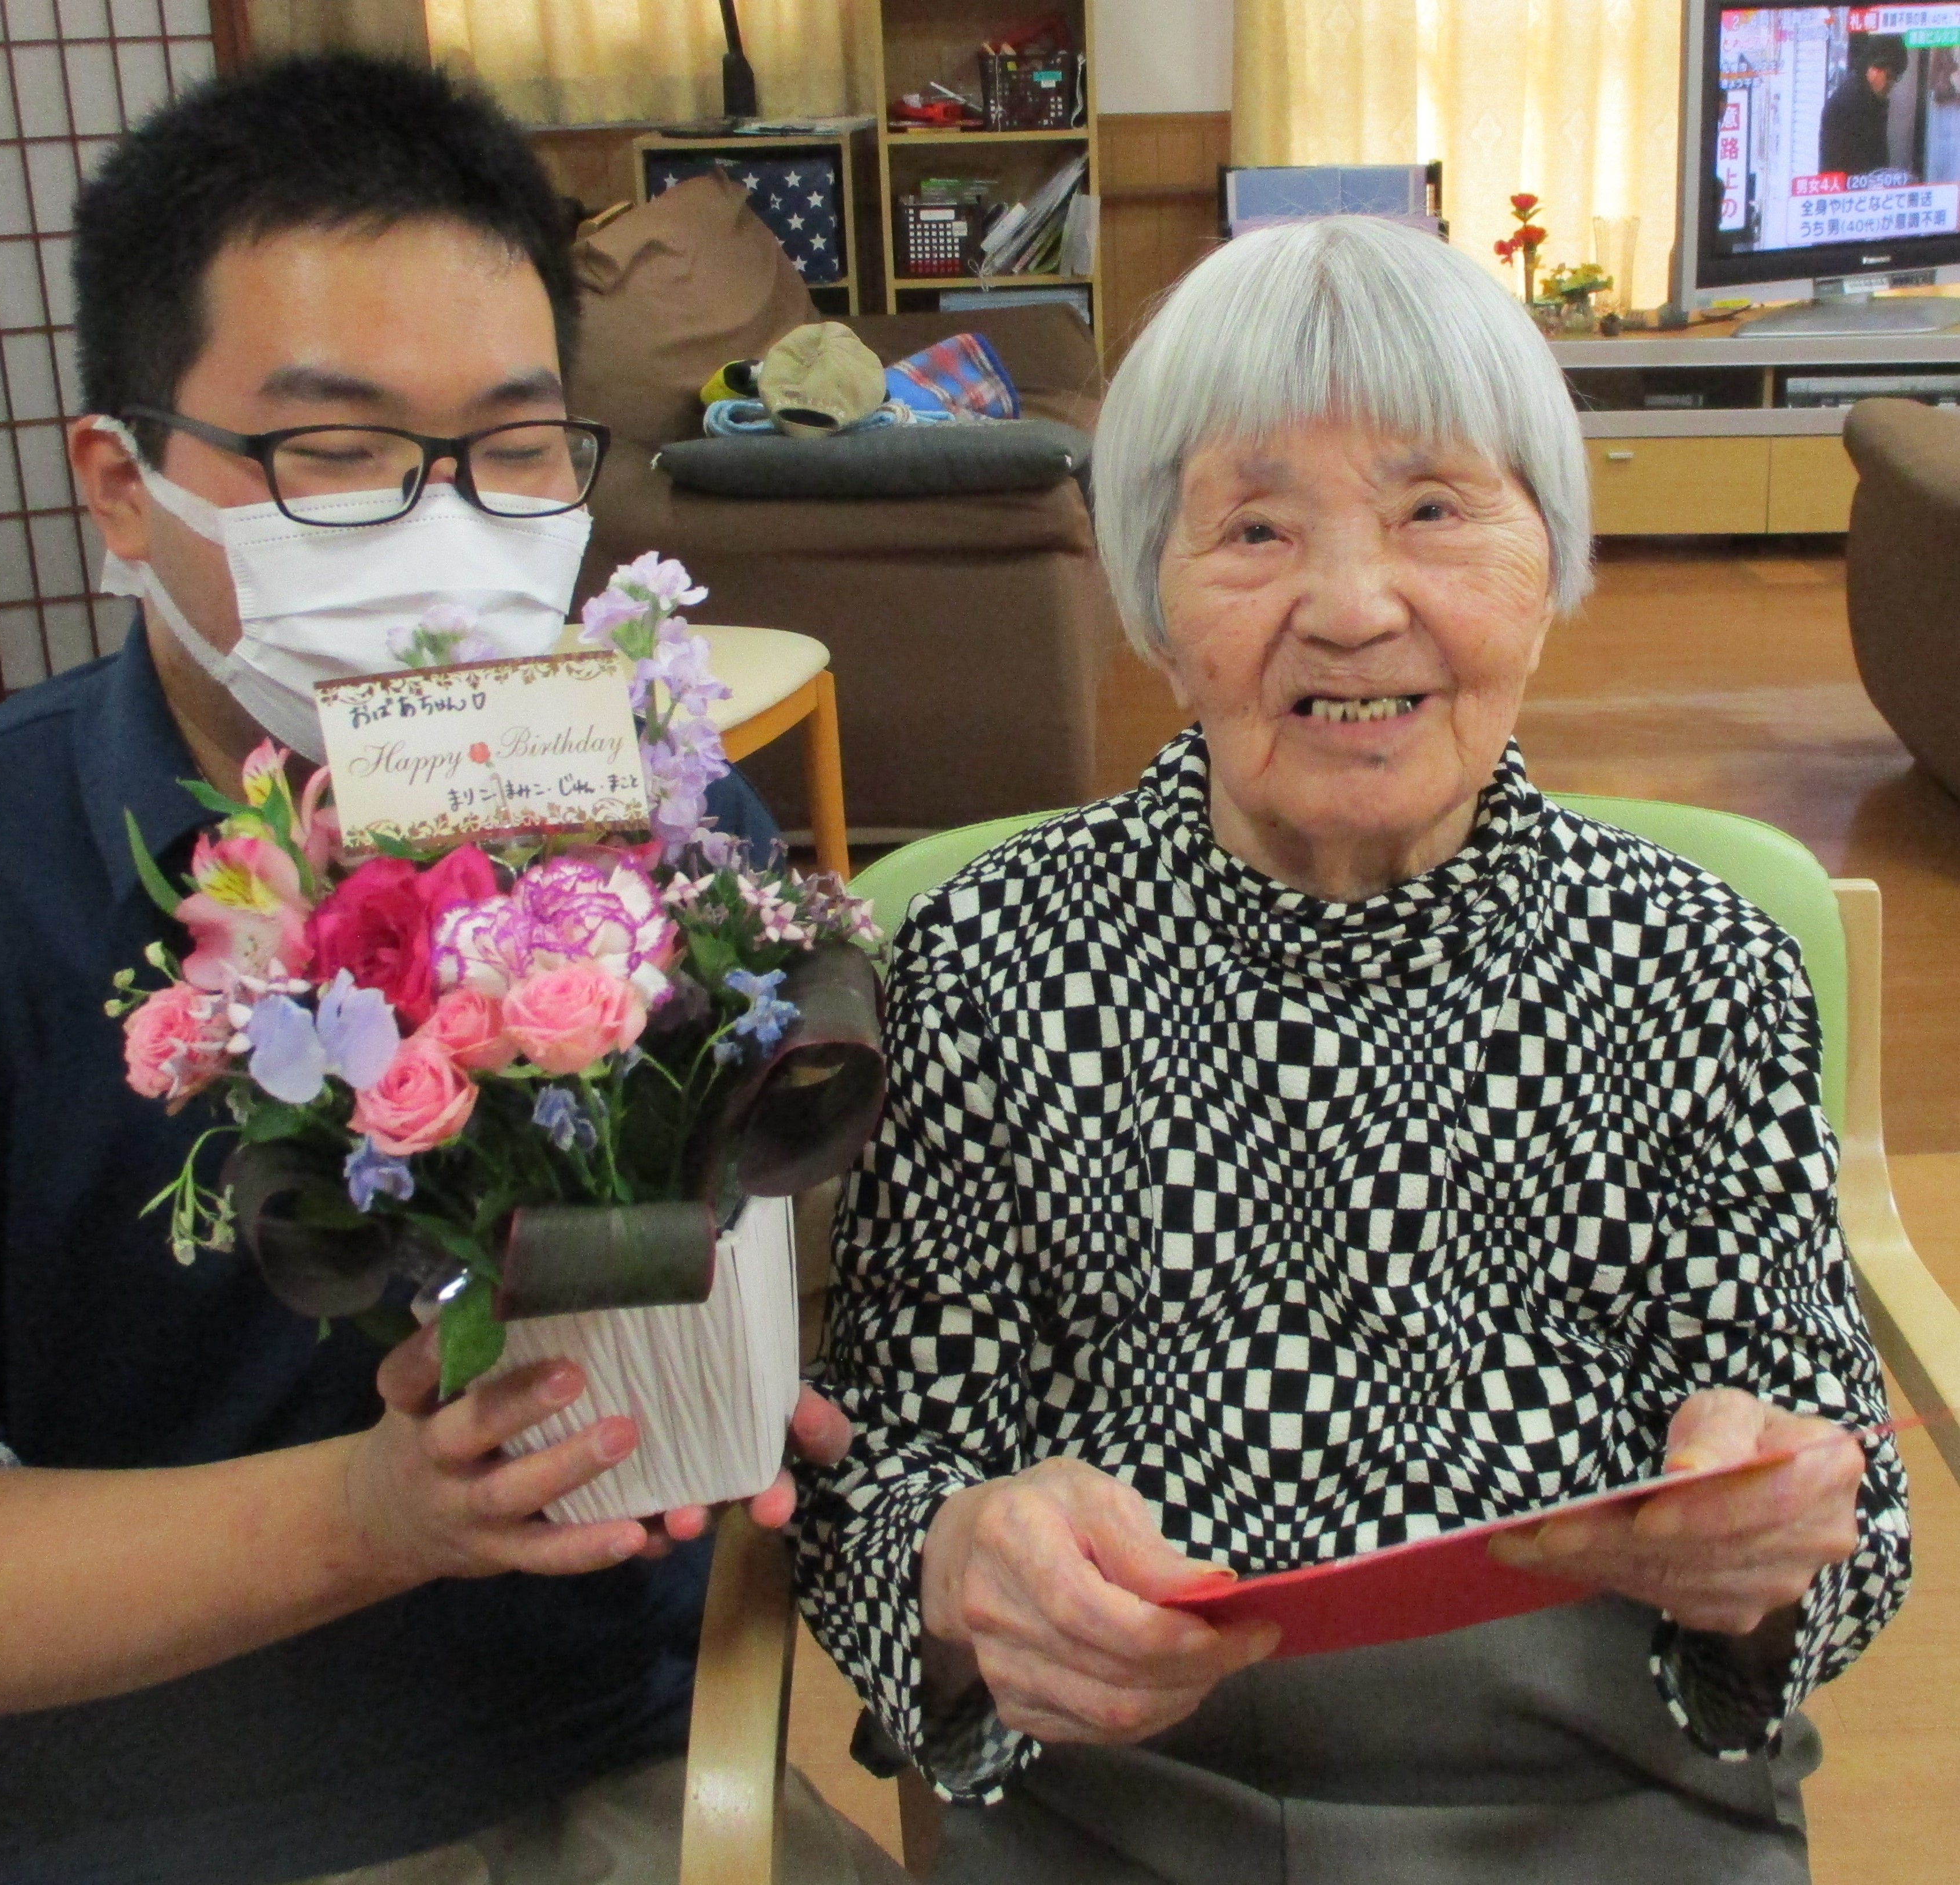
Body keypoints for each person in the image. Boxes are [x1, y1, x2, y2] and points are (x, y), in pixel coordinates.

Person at [0, 54, 903, 1885]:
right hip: (56, 1827)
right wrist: (375, 1513)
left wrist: (736, 1373)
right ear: (124, 484)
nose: (446, 527)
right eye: (337, 451)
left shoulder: (656, 822)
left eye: (513, 448)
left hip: (592, 1760)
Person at [792, 216, 1909, 1884]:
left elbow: (1842, 1515)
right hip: (1117, 1802)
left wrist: (1767, 1543)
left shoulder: (1694, 961)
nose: (1350, 605)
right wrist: (957, 1566)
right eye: (1252, 527)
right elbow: (873, 1483)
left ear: (1550, 558)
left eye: (1431, 510)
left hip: (1612, 1790)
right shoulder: (980, 960)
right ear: (1148, 590)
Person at [1819, 34, 1909, 178]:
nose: (1891, 84)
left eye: (1895, 78)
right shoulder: (1849, 104)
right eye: (1889, 76)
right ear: (1874, 68)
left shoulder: (1872, 100)